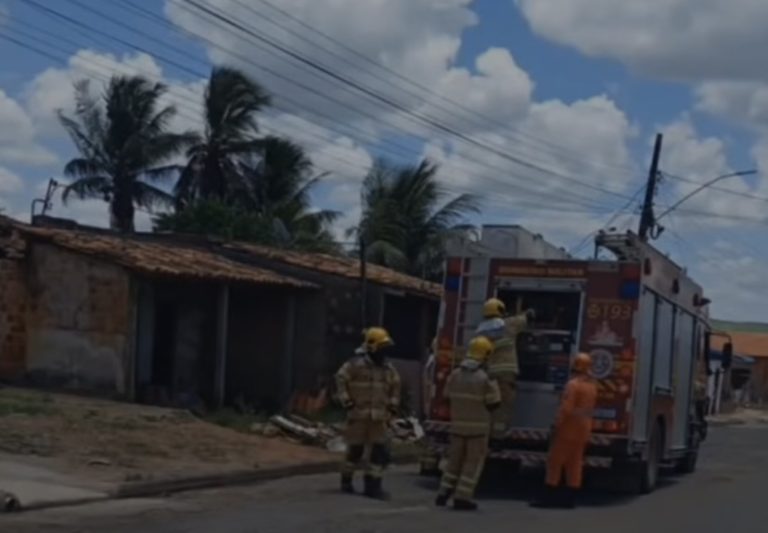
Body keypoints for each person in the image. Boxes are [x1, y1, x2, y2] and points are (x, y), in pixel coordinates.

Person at [435, 335, 501, 511]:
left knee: (453, 462)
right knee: (471, 465)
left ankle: (443, 492)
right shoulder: (485, 378)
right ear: (485, 355)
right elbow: (494, 404)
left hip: (457, 427)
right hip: (478, 431)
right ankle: (462, 498)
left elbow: (446, 397)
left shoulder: (455, 374)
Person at [336, 327, 401, 499]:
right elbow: (340, 379)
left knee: (378, 453)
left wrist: (393, 407)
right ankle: (346, 480)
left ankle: (373, 487)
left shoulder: (388, 368)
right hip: (358, 415)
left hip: (379, 418)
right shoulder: (355, 364)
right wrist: (347, 402)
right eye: (382, 347)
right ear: (372, 347)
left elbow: (396, 387)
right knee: (355, 450)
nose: (384, 351)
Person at [532, 352, 597, 509]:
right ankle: (569, 499)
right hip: (583, 431)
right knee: (575, 465)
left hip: (567, 430)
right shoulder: (592, 386)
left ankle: (548, 498)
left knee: (555, 463)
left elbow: (566, 409)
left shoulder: (572, 385)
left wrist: (556, 425)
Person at [476, 298, 535, 434]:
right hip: (506, 374)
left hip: (489, 373)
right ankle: (497, 437)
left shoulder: (481, 330)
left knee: (491, 404)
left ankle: (487, 434)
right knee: (503, 406)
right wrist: (527, 312)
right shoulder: (509, 324)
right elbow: (529, 316)